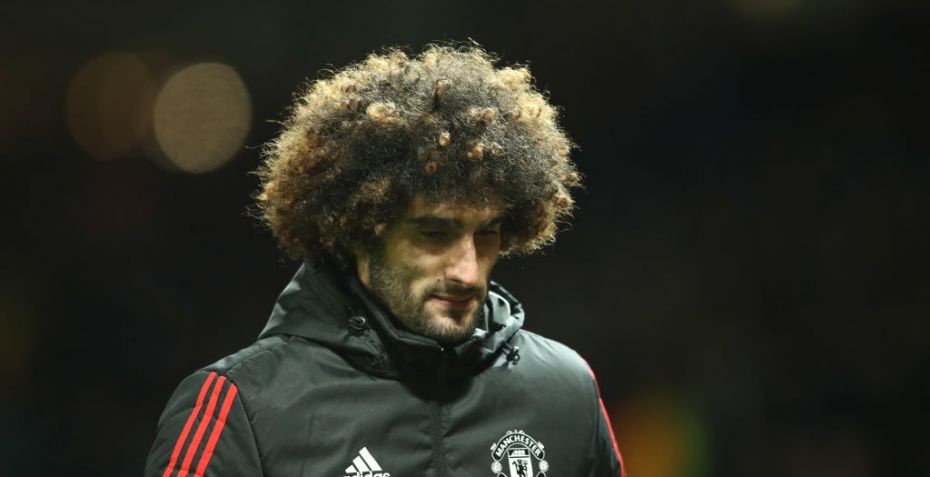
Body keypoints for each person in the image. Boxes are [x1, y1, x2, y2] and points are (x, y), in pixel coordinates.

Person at [145, 43, 625, 477]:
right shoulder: (240, 409)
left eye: (486, 233)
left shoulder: (566, 391)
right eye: (433, 234)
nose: (468, 272)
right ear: (361, 231)